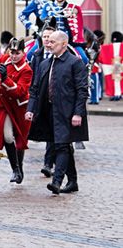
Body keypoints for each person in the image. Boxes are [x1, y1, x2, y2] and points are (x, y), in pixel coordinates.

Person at [26, 30, 89, 195]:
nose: (48, 43)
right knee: (61, 145)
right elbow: (34, 89)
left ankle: (57, 181)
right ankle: (73, 181)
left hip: (67, 112)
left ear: (63, 44)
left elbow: (82, 90)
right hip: (48, 112)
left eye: (53, 42)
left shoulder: (75, 63)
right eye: (47, 41)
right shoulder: (44, 63)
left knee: (61, 145)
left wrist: (78, 113)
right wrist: (31, 109)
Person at [0, 37, 32, 184]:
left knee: (20, 138)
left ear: (23, 53)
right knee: (7, 136)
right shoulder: (5, 59)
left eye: (17, 53)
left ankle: (20, 167)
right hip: (3, 105)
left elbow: (20, 91)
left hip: (19, 107)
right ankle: (15, 169)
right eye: (11, 52)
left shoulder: (26, 70)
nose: (13, 56)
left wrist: (5, 79)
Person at [28, 25, 56, 177]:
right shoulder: (36, 55)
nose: (46, 40)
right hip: (40, 98)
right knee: (46, 129)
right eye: (44, 37)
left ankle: (48, 163)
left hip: (54, 99)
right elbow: (33, 79)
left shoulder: (60, 54)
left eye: (49, 37)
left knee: (53, 132)